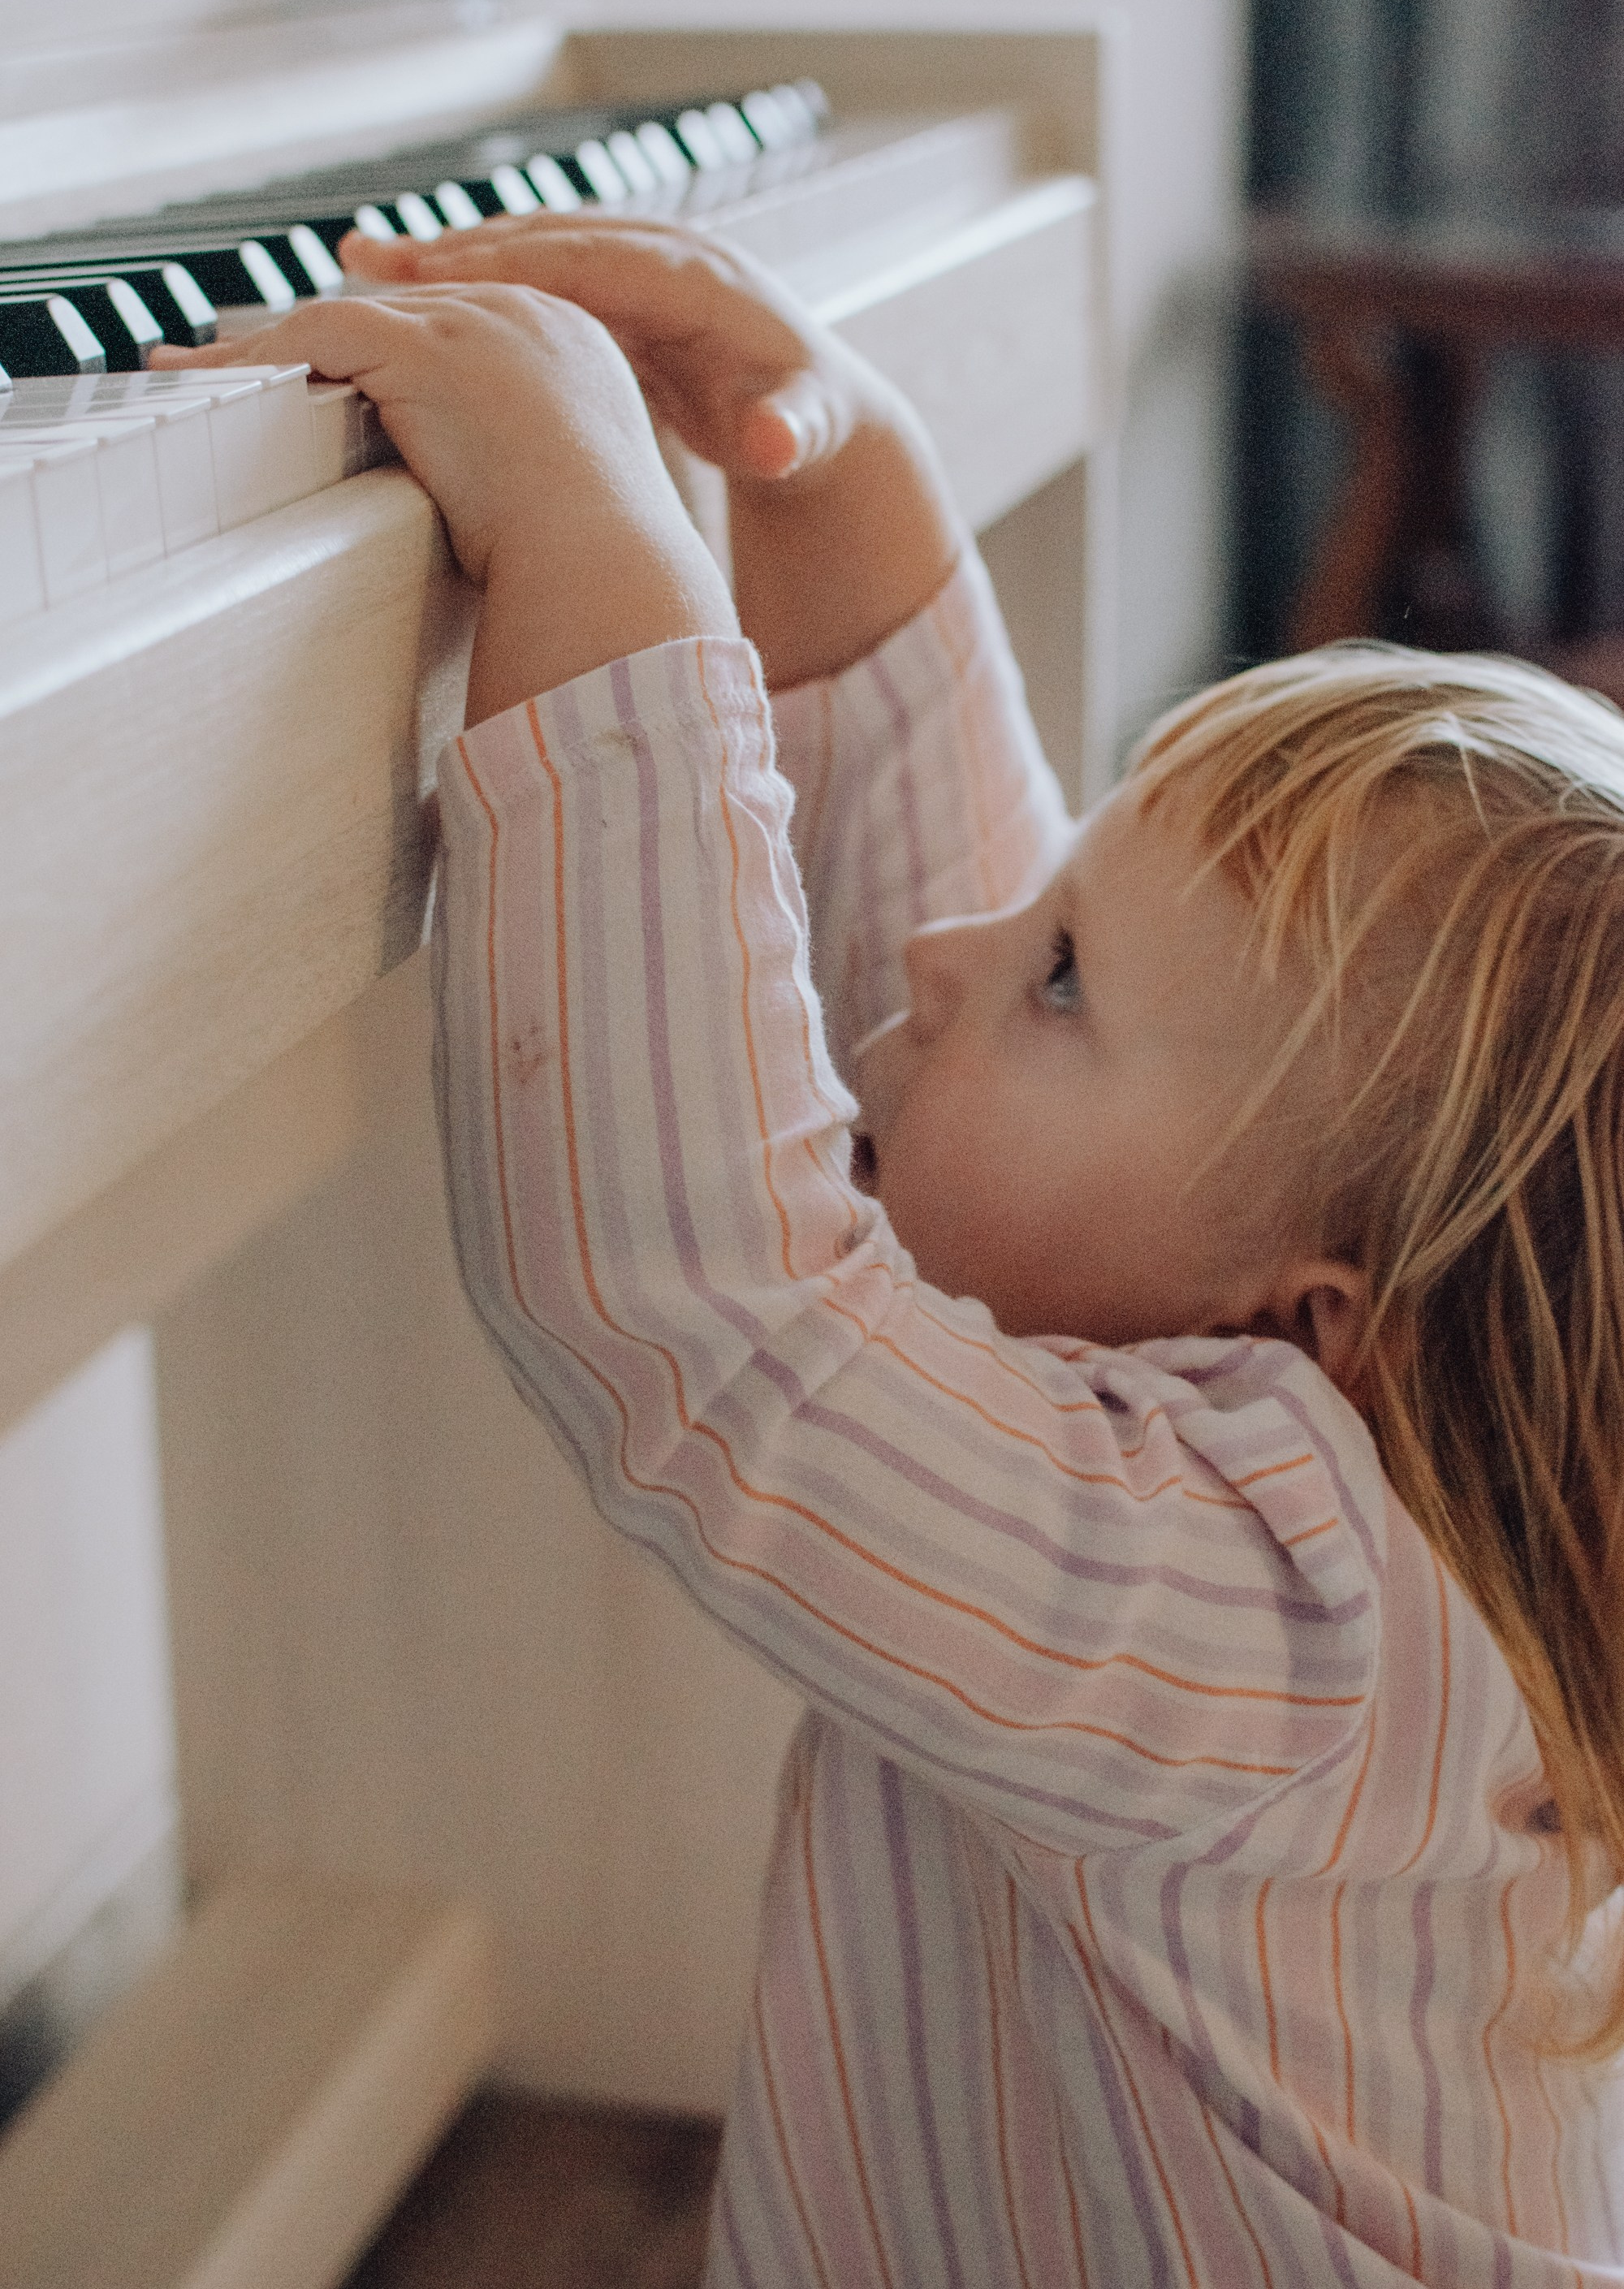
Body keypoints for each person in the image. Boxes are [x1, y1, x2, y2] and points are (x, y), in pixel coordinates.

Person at [154, 214, 1624, 2283]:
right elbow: (985, 1046)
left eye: (1052, 982)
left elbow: (724, 1322)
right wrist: (825, 469)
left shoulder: (1275, 1632)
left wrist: (609, 556)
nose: (943, 956)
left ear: (1301, 1321)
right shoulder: (1355, 1462)